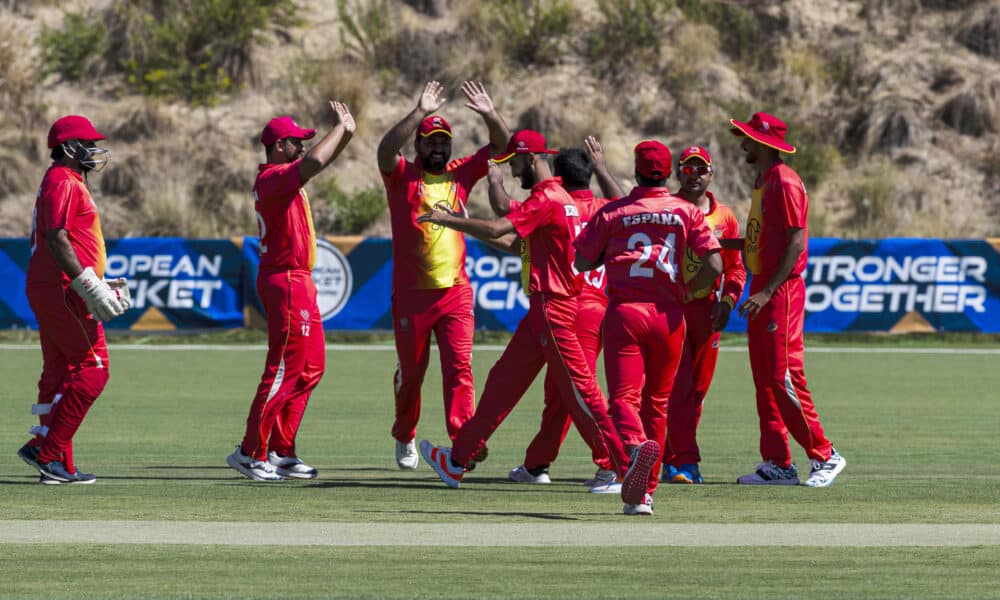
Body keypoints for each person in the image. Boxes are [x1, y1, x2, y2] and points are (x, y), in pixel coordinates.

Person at [416, 129, 656, 510]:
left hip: (555, 307)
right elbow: (513, 233)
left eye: (514, 164)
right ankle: (457, 460)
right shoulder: (563, 199)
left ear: (531, 159)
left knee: (583, 394)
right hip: (546, 308)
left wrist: (450, 221)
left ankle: (627, 475)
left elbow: (498, 228)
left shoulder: (547, 199)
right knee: (501, 384)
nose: (513, 172)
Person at [575, 140, 722, 515]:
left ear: (637, 171)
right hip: (670, 316)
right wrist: (689, 291)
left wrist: (609, 252)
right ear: (669, 173)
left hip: (626, 312)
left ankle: (636, 448)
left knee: (624, 399)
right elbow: (716, 265)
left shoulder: (614, 212)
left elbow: (583, 258)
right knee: (658, 404)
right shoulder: (685, 211)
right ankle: (646, 493)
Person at [377, 80, 510, 470]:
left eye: (442, 142)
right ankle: (405, 433)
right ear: (418, 145)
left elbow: (503, 146)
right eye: (430, 141)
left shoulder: (460, 175)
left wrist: (489, 113)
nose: (437, 147)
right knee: (413, 377)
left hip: (455, 292)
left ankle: (462, 441)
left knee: (460, 369)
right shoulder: (401, 175)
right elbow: (385, 150)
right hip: (411, 294)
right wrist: (418, 111)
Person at [227, 101, 356, 482]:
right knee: (283, 370)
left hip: (298, 280)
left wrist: (345, 133)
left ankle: (282, 449)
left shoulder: (283, 176)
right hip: (284, 280)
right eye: (296, 141)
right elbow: (314, 163)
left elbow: (319, 162)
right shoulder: (272, 178)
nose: (301, 146)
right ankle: (251, 452)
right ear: (278, 145)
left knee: (311, 368)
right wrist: (338, 129)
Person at [728, 112, 846, 487]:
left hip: (781, 289)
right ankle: (778, 462)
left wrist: (766, 291)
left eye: (747, 138)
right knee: (764, 378)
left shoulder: (785, 182)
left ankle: (825, 454)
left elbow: (797, 241)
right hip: (763, 283)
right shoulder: (764, 179)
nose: (742, 144)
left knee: (784, 375)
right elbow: (765, 238)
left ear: (763, 144)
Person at [18, 114, 130, 484]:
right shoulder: (63, 179)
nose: (94, 151)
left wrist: (95, 277)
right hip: (64, 288)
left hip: (54, 285)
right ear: (68, 148)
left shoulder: (61, 179)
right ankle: (46, 452)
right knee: (93, 369)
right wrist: (86, 281)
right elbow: (57, 238)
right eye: (87, 144)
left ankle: (57, 464)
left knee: (59, 373)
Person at [499, 146, 616, 492]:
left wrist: (494, 176)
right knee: (565, 392)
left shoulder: (556, 205)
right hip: (598, 308)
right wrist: (603, 169)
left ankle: (613, 461)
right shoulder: (605, 209)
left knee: (578, 392)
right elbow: (626, 204)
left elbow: (505, 217)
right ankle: (538, 462)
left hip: (569, 305)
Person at [661, 146, 746, 484]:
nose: (694, 175)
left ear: (711, 175)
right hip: (673, 309)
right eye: (687, 168)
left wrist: (727, 303)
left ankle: (671, 457)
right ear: (678, 173)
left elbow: (736, 270)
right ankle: (685, 463)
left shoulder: (724, 217)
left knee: (697, 392)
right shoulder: (668, 209)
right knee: (678, 389)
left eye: (701, 169)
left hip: (707, 312)